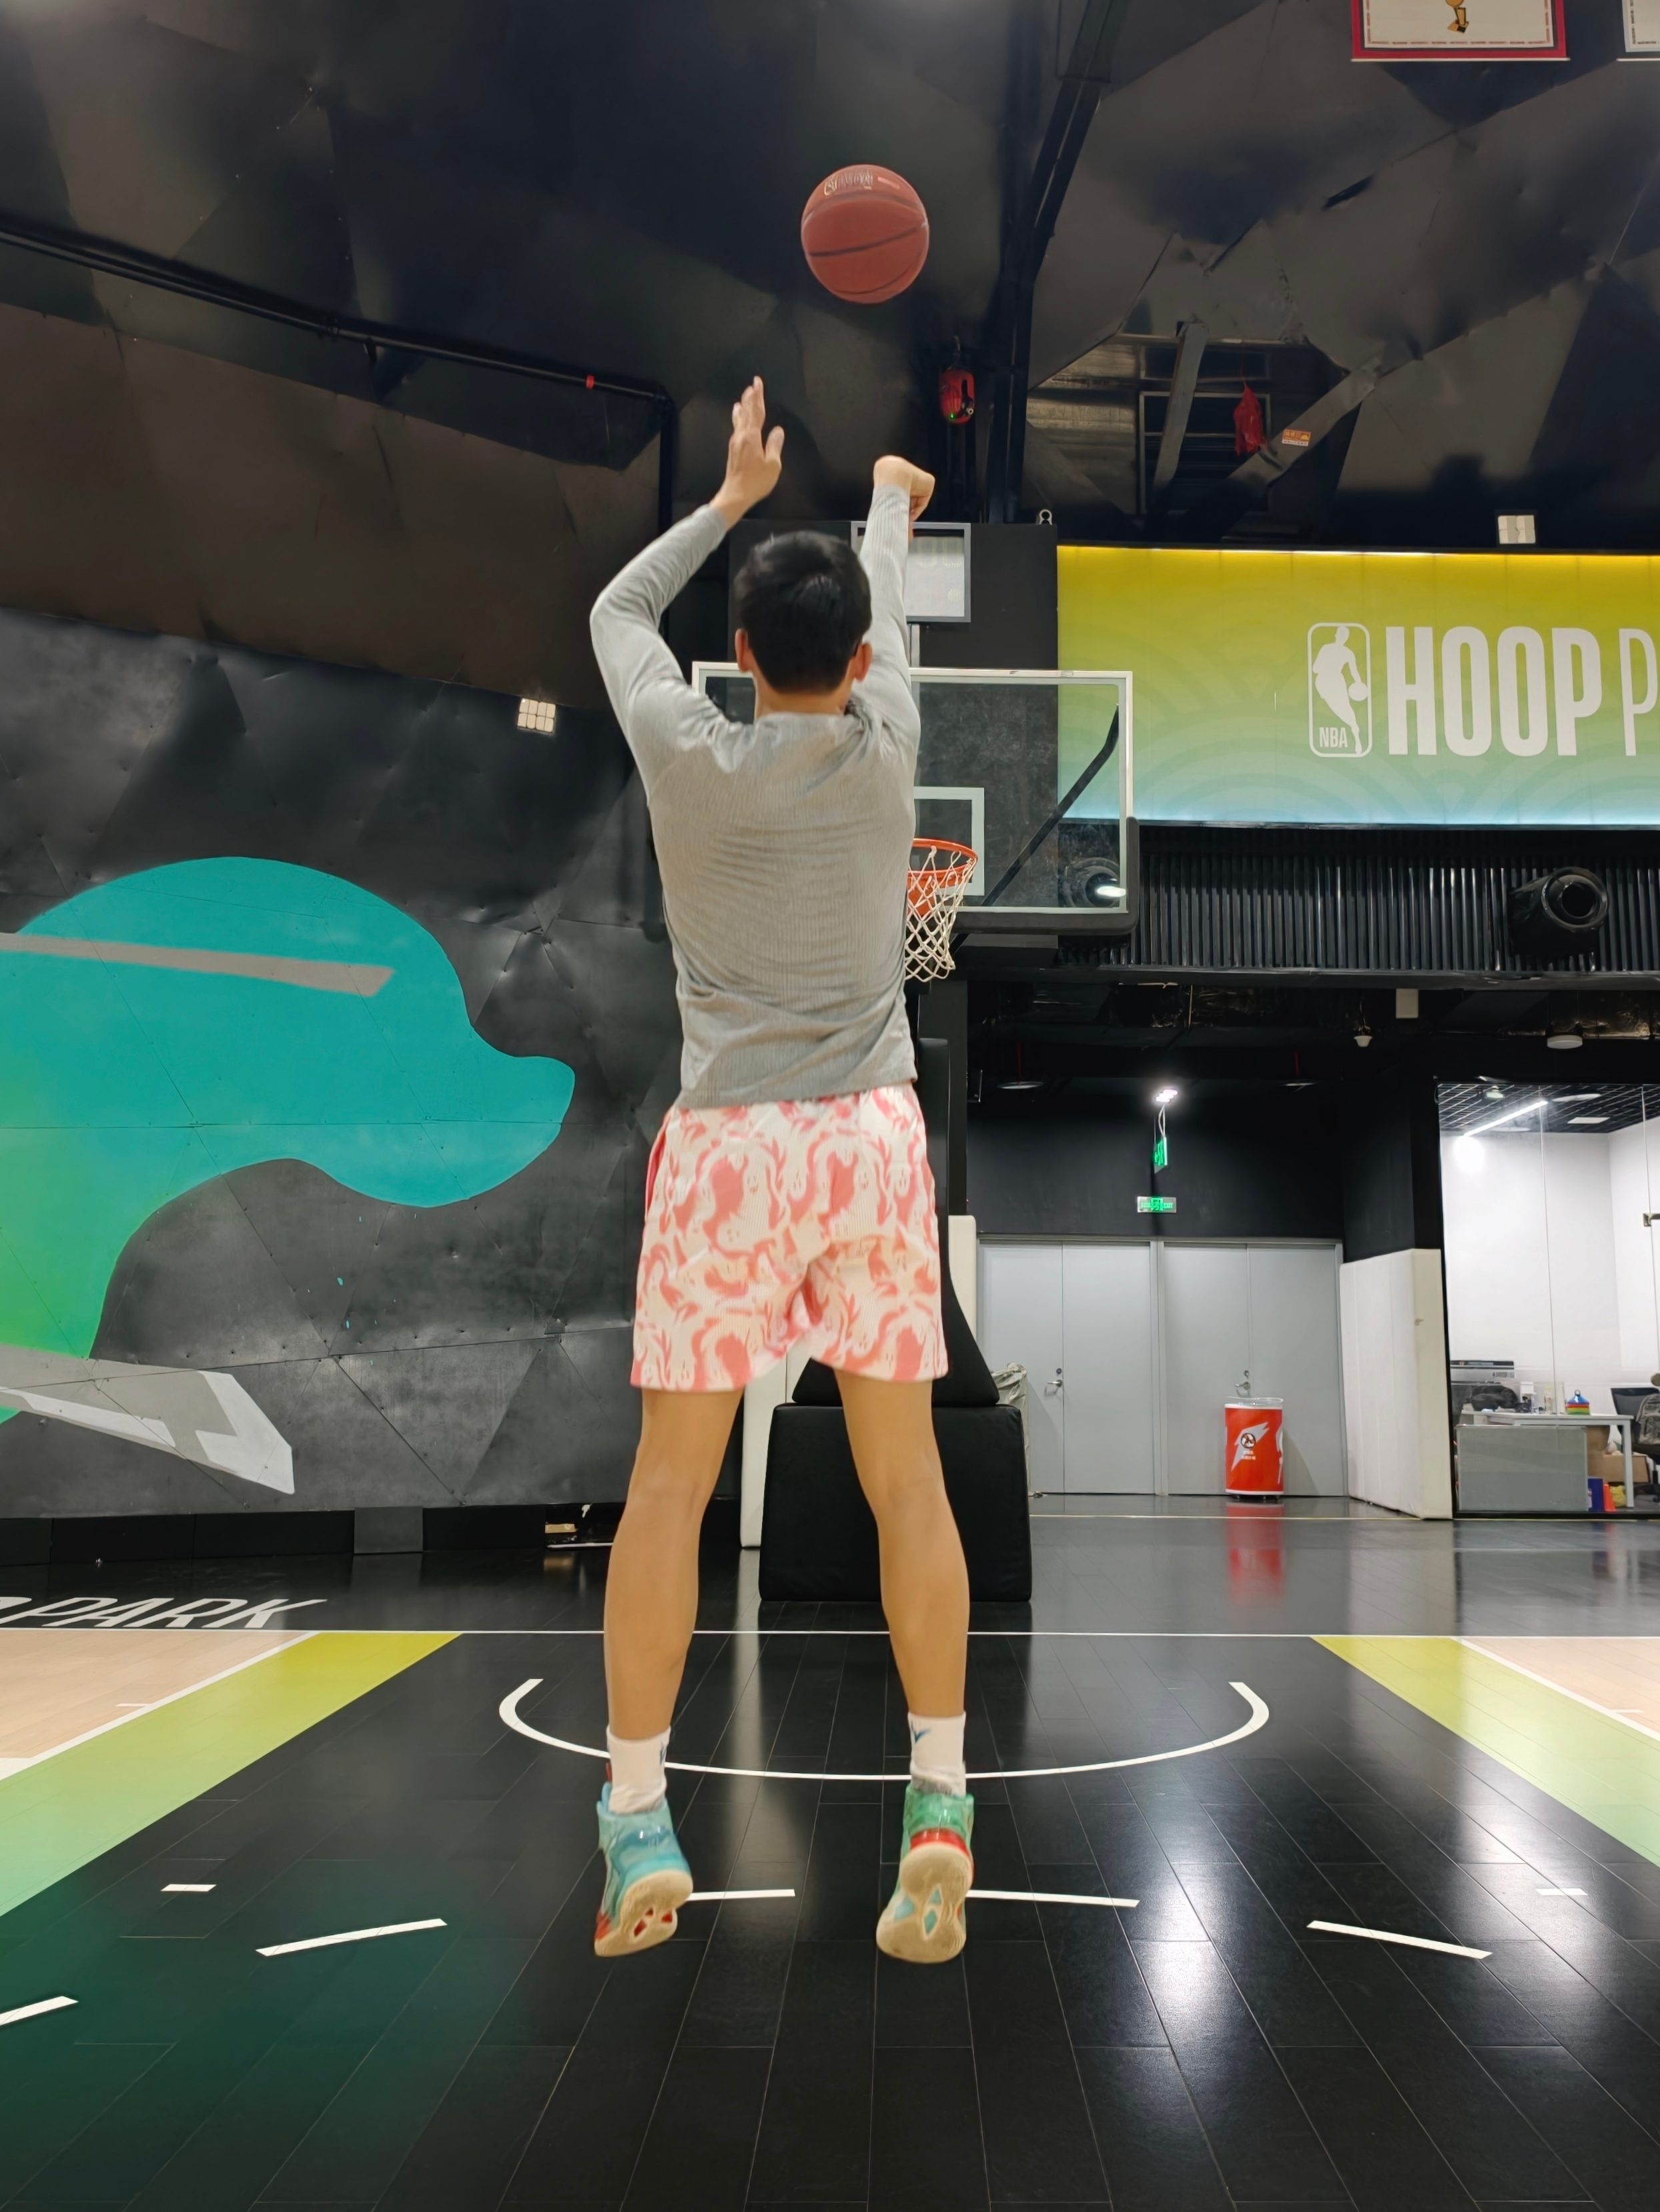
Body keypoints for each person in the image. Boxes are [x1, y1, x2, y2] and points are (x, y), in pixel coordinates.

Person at [586, 376, 972, 1966]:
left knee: (668, 1488)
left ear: (736, 656)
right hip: (868, 1136)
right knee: (907, 1479)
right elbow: (877, 602)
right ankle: (936, 1801)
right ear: (859, 662)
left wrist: (734, 498)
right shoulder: (886, 749)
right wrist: (886, 498)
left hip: (727, 1150)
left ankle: (635, 1822)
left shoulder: (687, 753)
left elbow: (616, 610)